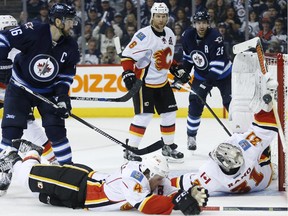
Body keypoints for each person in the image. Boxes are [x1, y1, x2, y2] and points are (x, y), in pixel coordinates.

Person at [0, 140, 209, 214]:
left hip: (79, 193)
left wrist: (186, 194)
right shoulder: (134, 177)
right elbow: (147, 206)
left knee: (43, 195)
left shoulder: (151, 176)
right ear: (149, 172)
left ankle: (31, 153)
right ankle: (14, 157)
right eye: (159, 177)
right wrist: (176, 202)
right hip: (75, 183)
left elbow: (168, 190)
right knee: (24, 177)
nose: (161, 181)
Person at [0, 3, 79, 193]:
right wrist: (3, 63)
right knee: (11, 131)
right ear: (58, 21)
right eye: (69, 20)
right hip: (20, 88)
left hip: (48, 92)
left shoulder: (71, 45)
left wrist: (62, 97)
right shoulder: (34, 30)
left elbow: (65, 76)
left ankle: (68, 170)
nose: (73, 25)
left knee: (57, 131)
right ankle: (3, 171)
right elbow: (3, 38)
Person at [171, 59, 279, 194]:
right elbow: (267, 125)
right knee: (255, 136)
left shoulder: (211, 177)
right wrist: (269, 98)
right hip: (265, 174)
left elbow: (174, 184)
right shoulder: (248, 149)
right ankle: (268, 164)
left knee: (256, 137)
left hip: (259, 182)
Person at [120, 2, 189, 163]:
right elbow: (127, 55)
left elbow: (167, 57)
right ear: (152, 17)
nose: (161, 19)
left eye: (164, 16)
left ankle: (168, 146)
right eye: (158, 16)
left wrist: (176, 69)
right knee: (144, 116)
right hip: (144, 83)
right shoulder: (143, 35)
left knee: (169, 113)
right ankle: (131, 149)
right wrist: (128, 72)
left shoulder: (170, 34)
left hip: (162, 82)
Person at [0, 15, 57, 165]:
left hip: (15, 95)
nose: (12, 31)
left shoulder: (24, 47)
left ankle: (53, 160)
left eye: (14, 28)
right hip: (9, 94)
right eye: (7, 29)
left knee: (26, 125)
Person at [179, 10, 232, 151]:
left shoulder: (216, 37)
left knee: (230, 103)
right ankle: (191, 136)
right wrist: (183, 74)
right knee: (195, 103)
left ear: (208, 24)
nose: (201, 26)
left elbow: (218, 65)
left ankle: (239, 134)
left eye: (204, 23)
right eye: (198, 23)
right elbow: (188, 59)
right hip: (201, 75)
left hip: (224, 75)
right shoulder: (187, 36)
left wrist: (206, 84)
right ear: (194, 24)